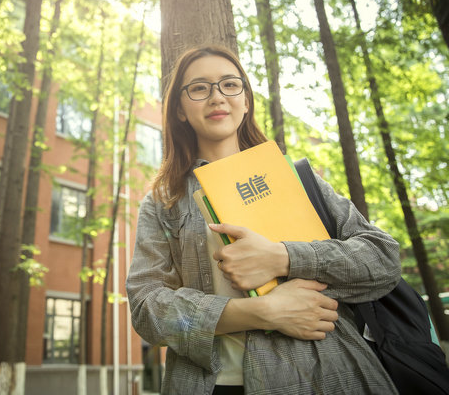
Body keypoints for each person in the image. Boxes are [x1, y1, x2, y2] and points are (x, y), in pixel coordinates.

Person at [125, 45, 402, 395]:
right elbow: (147, 306)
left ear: (245, 99)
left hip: (327, 375)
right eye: (199, 88)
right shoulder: (164, 201)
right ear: (179, 109)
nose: (216, 97)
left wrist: (282, 256)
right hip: (208, 384)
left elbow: (384, 259)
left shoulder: (297, 178)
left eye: (229, 84)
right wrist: (261, 311)